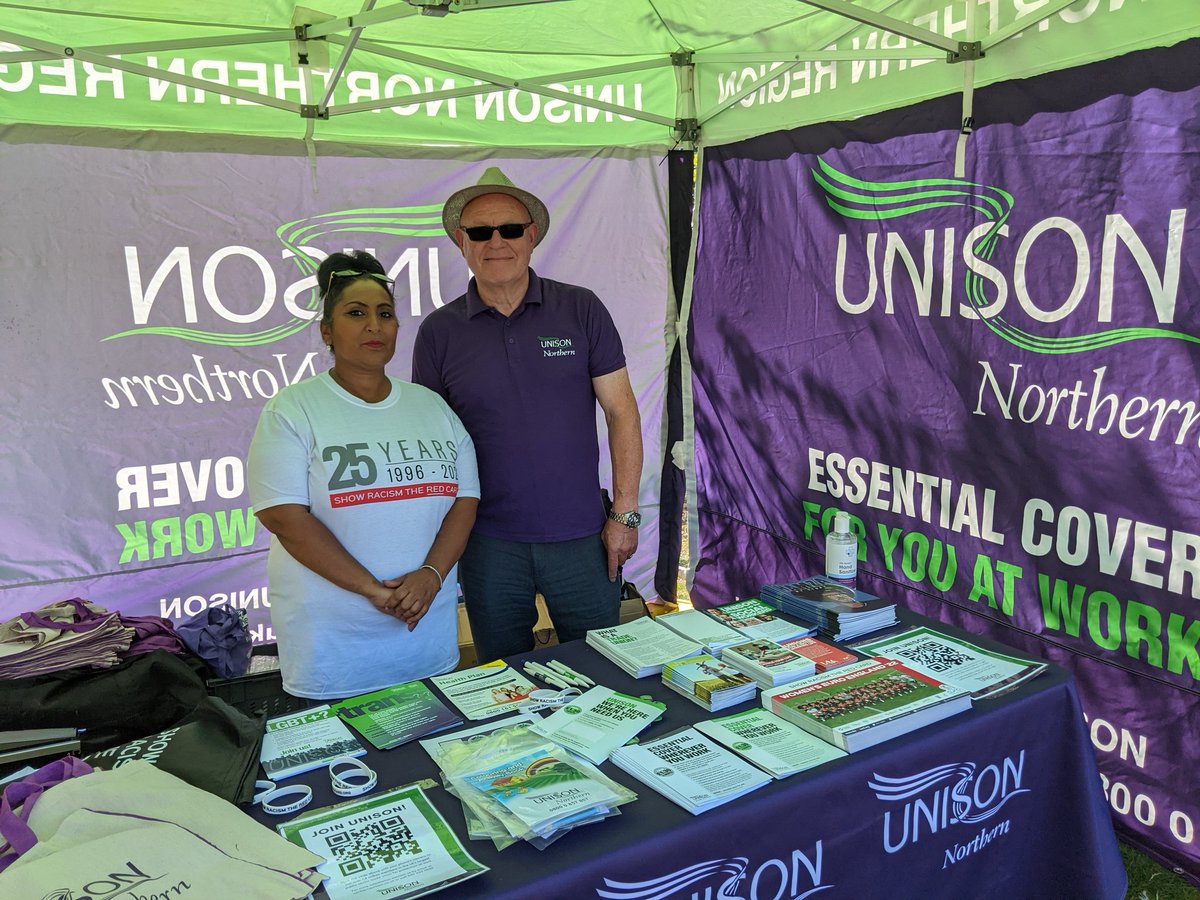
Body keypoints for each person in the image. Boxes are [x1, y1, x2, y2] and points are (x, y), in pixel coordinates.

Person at [412, 167, 643, 662]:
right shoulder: (439, 331)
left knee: (603, 671)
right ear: (462, 242)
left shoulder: (581, 309)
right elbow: (429, 444)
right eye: (480, 232)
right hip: (487, 544)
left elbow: (621, 412)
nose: (496, 242)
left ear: (532, 236)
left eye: (510, 229)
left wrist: (624, 514)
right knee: (503, 680)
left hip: (582, 538)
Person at [247, 251, 480, 699]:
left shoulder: (432, 407)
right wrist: (373, 590)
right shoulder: (292, 410)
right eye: (356, 313)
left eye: (385, 314)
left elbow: (464, 500)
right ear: (327, 331)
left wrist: (431, 575)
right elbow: (284, 518)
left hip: (423, 639)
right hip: (333, 650)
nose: (374, 326)